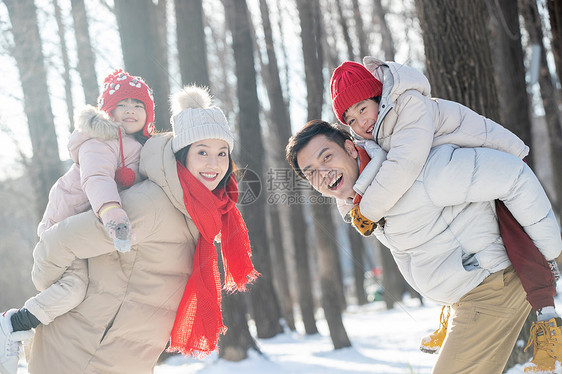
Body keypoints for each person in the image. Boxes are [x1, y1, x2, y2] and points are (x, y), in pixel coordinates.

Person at [3, 85, 258, 374]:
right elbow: (58, 242)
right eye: (202, 152)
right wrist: (56, 286)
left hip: (126, 359)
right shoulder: (152, 203)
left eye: (222, 153)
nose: (214, 164)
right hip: (81, 355)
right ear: (183, 154)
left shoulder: (201, 213)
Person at [329, 58, 561, 365]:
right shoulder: (384, 131)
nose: (361, 122)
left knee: (518, 240)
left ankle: (549, 317)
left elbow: (404, 165)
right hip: (470, 176)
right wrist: (352, 199)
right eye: (352, 120)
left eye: (362, 109)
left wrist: (368, 209)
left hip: (498, 160)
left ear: (379, 97)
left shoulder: (408, 107)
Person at [285, 120, 562, 374]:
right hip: (467, 296)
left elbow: (512, 174)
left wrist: (550, 252)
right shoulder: (363, 203)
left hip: (489, 285)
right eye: (311, 173)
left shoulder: (416, 172)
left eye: (327, 157)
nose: (324, 174)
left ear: (350, 148)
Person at [0, 68, 155, 374]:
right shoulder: (99, 141)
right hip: (63, 228)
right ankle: (14, 324)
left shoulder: (140, 146)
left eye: (138, 105)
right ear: (108, 111)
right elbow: (97, 179)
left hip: (88, 235)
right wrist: (112, 212)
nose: (131, 111)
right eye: (122, 105)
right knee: (74, 289)